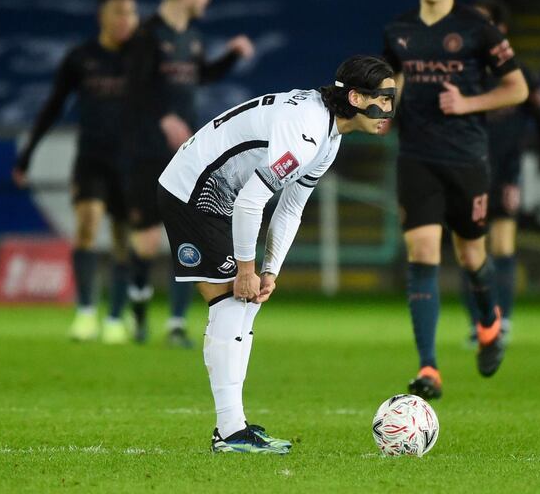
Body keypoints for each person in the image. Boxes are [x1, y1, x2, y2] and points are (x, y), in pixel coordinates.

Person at [157, 55, 395, 453]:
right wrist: (247, 270)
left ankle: (232, 428)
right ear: (355, 97)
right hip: (195, 190)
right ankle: (231, 433)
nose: (389, 109)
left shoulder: (327, 135)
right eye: (384, 98)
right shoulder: (307, 131)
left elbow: (291, 207)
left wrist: (271, 270)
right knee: (233, 300)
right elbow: (253, 200)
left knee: (241, 304)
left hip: (217, 192)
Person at [382, 0, 529, 400]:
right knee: (423, 252)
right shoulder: (398, 31)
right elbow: (392, 82)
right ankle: (428, 368)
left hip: (467, 159)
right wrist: (384, 111)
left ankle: (489, 322)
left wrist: (468, 104)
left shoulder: (478, 29)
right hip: (416, 158)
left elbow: (517, 88)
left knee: (471, 256)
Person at [123, 0, 255, 347]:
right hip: (148, 150)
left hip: (186, 157)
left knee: (188, 236)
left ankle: (177, 323)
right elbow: (132, 91)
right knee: (147, 241)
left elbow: (204, 75)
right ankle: (139, 313)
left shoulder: (191, 39)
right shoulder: (146, 37)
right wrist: (163, 118)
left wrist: (231, 55)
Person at [13, 0, 139, 343]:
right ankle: (85, 313)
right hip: (92, 158)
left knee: (122, 238)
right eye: (119, 13)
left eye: (131, 13)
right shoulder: (81, 58)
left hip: (131, 162)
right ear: (102, 16)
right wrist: (27, 155)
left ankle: (115, 317)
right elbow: (53, 105)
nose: (126, 20)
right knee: (86, 226)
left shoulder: (144, 59)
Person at [459, 0, 540, 344]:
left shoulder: (521, 77)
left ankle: (501, 322)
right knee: (470, 250)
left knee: (503, 245)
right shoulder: (459, 76)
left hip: (505, 172)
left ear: (500, 30)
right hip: (466, 173)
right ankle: (479, 323)